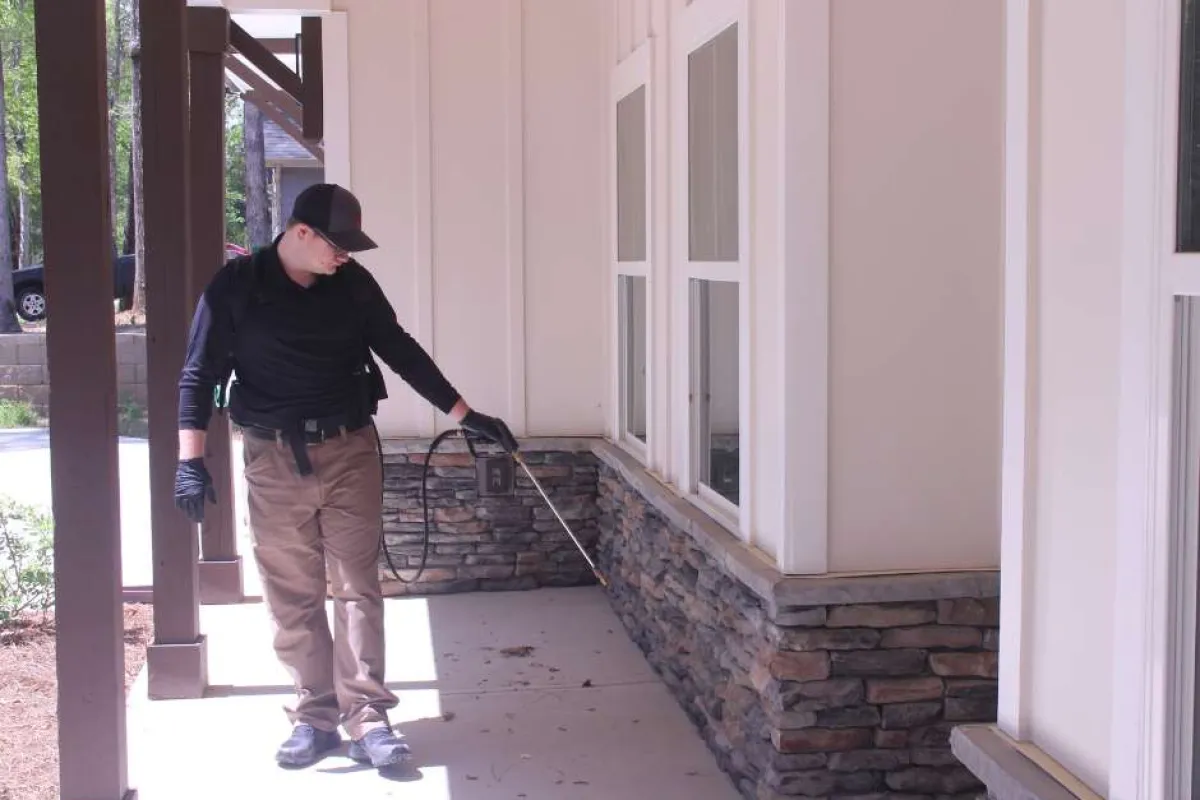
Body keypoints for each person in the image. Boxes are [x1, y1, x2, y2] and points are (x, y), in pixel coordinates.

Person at [173, 183, 519, 770]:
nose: (344, 256)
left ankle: (368, 717)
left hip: (349, 450)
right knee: (292, 592)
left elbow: (400, 350)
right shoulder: (237, 286)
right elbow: (197, 372)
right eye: (337, 245)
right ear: (300, 233)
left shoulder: (352, 284)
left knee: (358, 587)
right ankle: (314, 717)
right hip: (272, 458)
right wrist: (190, 461)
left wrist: (466, 416)